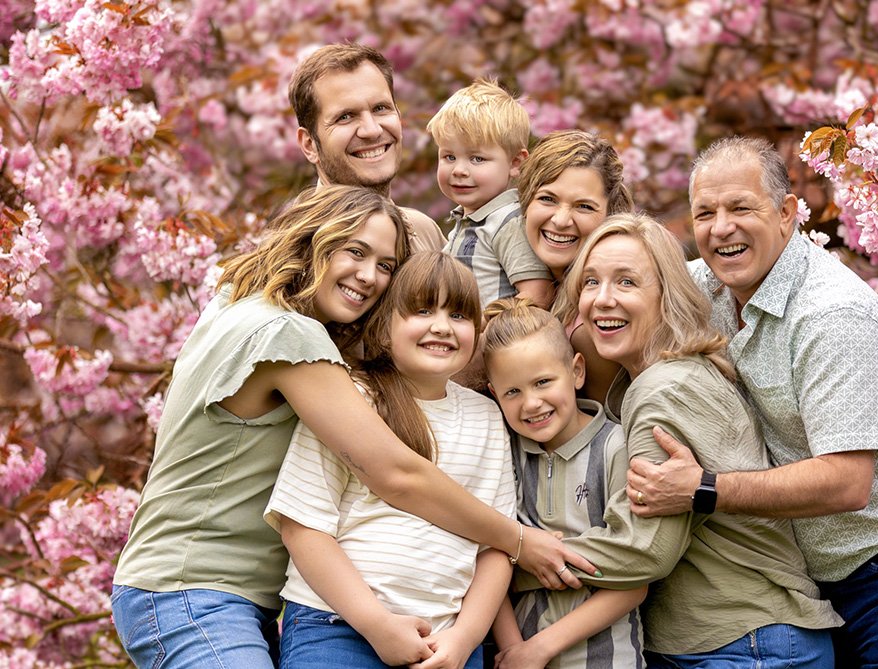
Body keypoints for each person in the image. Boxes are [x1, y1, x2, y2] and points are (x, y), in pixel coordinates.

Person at [110, 186, 589, 669]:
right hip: (191, 587)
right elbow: (395, 473)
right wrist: (520, 541)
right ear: (313, 240)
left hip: (213, 588)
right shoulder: (289, 334)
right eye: (355, 252)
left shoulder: (236, 303)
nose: (370, 277)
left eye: (385, 265)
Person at [627, 136, 878, 668]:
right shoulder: (705, 286)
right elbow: (618, 304)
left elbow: (846, 482)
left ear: (787, 213)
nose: (720, 227)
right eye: (704, 212)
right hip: (816, 568)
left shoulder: (833, 315)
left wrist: (701, 489)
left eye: (740, 207)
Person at [533, 213, 843, 667]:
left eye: (626, 283)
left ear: (667, 295)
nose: (602, 300)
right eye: (590, 283)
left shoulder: (663, 388)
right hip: (735, 642)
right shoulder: (665, 375)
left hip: (745, 645)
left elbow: (645, 551)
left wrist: (517, 558)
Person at [266, 252, 514, 668]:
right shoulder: (352, 399)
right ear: (385, 325)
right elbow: (302, 526)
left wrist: (465, 638)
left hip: (446, 640)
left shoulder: (486, 415)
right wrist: (376, 624)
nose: (441, 326)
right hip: (339, 627)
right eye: (422, 310)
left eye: (458, 314)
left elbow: (496, 547)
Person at [482, 298, 646, 668]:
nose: (531, 404)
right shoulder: (504, 453)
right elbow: (489, 555)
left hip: (608, 658)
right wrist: (516, 652)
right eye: (513, 392)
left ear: (576, 371)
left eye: (543, 382)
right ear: (494, 394)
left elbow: (635, 578)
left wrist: (540, 649)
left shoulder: (615, 447)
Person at [288, 43, 446, 252]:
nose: (371, 130)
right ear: (309, 145)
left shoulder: (426, 234)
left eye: (380, 109)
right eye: (345, 117)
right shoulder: (294, 254)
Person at [517, 130, 634, 401]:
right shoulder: (530, 279)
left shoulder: (590, 326)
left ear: (610, 215)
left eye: (583, 207)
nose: (560, 220)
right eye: (547, 199)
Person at [426, 78, 552, 309]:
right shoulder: (467, 222)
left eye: (477, 159)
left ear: (515, 162)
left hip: (498, 340)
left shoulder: (509, 223)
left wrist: (483, 325)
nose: (459, 170)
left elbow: (538, 294)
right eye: (449, 157)